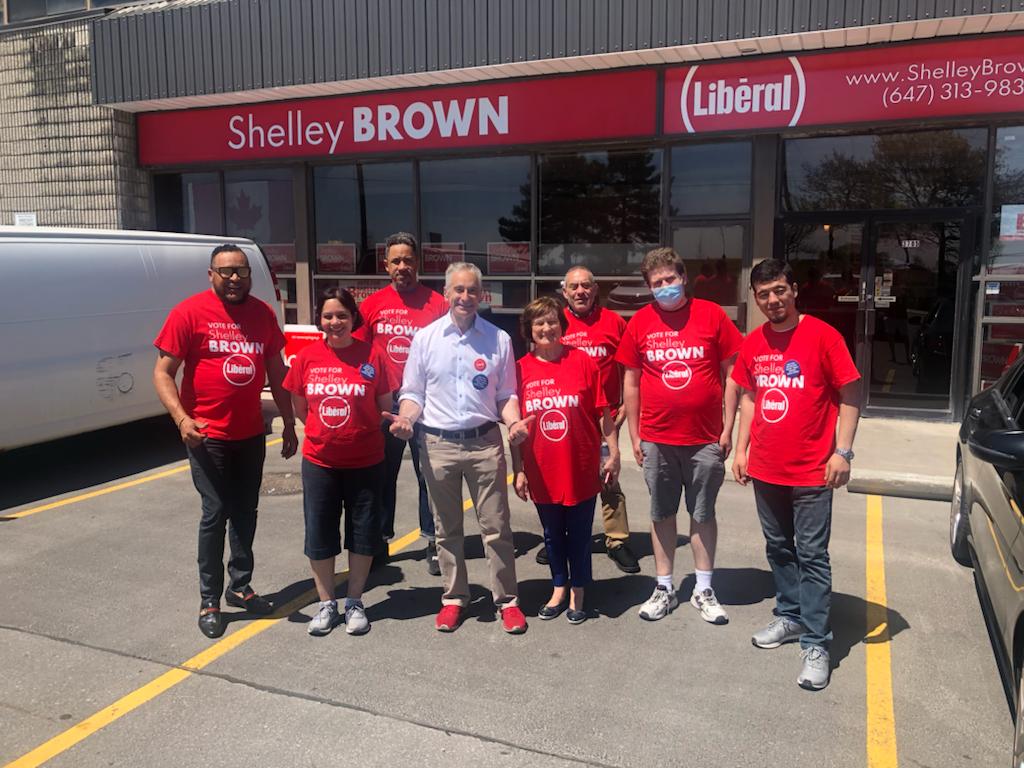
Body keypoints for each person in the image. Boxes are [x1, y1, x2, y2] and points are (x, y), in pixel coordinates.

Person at [153, 244, 298, 639]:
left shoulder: (262, 315)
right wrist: (181, 419)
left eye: (242, 271)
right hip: (206, 435)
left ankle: (240, 585)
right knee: (215, 512)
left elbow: (276, 370)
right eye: (226, 271)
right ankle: (209, 599)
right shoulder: (189, 312)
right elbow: (163, 373)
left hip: (250, 432)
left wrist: (288, 422)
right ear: (211, 274)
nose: (235, 278)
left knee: (246, 509)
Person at [732, 258, 861, 691]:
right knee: (778, 549)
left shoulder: (823, 336)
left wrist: (842, 451)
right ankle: (789, 617)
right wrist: (741, 448)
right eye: (764, 294)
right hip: (767, 468)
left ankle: (818, 642)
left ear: (794, 290)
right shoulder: (754, 342)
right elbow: (750, 397)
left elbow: (850, 394)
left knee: (811, 554)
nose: (773, 300)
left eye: (779, 290)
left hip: (811, 471)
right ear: (756, 298)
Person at [386, 262, 531, 634]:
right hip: (438, 444)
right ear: (447, 294)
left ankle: (507, 600)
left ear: (481, 296)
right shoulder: (426, 339)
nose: (465, 297)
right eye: (458, 290)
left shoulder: (498, 339)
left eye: (472, 291)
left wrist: (513, 422)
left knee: (497, 527)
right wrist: (406, 418)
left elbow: (506, 394)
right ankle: (454, 597)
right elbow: (413, 392)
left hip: (485, 443)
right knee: (446, 529)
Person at [616, 247, 743, 625]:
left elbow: (732, 373)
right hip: (657, 439)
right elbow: (631, 382)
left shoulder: (712, 315)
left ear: (683, 278)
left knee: (702, 514)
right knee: (662, 513)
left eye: (670, 279)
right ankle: (665, 586)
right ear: (648, 288)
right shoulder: (640, 323)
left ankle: (703, 588)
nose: (665, 287)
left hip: (704, 438)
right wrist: (635, 437)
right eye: (657, 283)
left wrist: (728, 427)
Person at [283, 288, 394, 636]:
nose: (335, 322)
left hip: (366, 460)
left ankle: (355, 602)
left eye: (342, 315)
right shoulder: (306, 359)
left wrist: (356, 432)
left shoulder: (373, 355)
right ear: (320, 319)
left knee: (362, 534)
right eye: (329, 316)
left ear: (353, 318)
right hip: (320, 463)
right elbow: (300, 407)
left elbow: (384, 406)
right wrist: (325, 433)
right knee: (320, 534)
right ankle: (327, 603)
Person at [511, 296, 620, 624]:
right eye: (539, 323)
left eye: (552, 321)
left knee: (580, 533)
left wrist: (613, 453)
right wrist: (518, 470)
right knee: (552, 533)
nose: (546, 328)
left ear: (562, 325)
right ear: (529, 330)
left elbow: (604, 414)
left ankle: (579, 590)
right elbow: (515, 428)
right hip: (541, 467)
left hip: (581, 464)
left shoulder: (584, 362)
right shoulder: (519, 370)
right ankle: (559, 585)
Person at [354, 232, 448, 575]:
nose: (402, 266)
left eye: (408, 259)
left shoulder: (438, 303)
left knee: (430, 475)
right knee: (381, 474)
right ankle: (379, 540)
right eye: (396, 261)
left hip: (428, 402)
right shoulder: (372, 304)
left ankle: (434, 542)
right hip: (386, 403)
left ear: (418, 263)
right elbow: (360, 354)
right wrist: (367, 390)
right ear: (386, 265)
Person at [555, 266, 640, 574]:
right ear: (565, 292)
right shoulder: (556, 322)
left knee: (609, 480)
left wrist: (625, 411)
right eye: (574, 287)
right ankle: (561, 538)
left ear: (595, 290)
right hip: (567, 417)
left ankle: (617, 541)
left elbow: (632, 368)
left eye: (586, 286)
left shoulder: (614, 322)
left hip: (606, 418)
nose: (580, 292)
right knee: (565, 478)